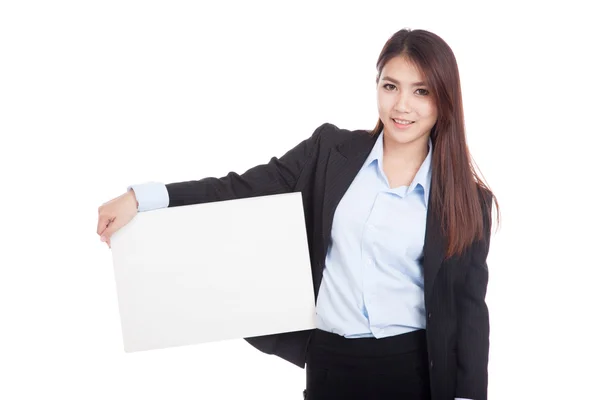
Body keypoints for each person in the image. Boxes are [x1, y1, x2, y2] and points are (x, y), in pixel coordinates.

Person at [97, 28, 499, 400]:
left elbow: (469, 313)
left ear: (443, 99)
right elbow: (240, 188)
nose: (402, 105)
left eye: (421, 91)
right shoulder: (329, 152)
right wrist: (144, 198)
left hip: (413, 371)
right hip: (329, 365)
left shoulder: (467, 200)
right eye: (390, 86)